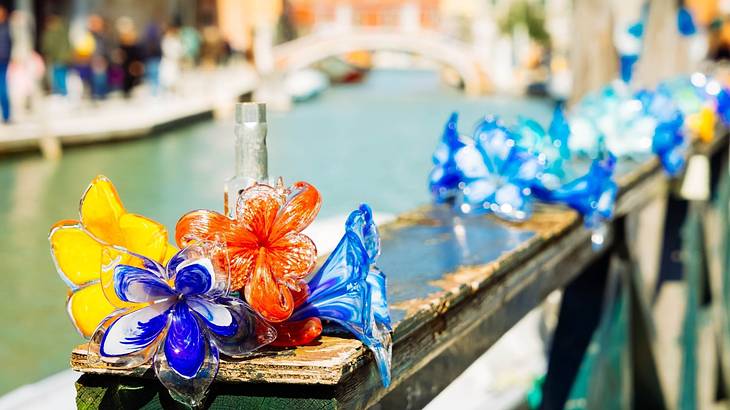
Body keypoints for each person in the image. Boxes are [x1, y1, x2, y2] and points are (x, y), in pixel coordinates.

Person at [41, 14, 72, 96]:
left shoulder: (52, 33)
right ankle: (62, 93)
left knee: (57, 75)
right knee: (61, 75)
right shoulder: (64, 31)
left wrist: (46, 53)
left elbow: (48, 45)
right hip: (63, 57)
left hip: (57, 57)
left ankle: (60, 93)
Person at [142, 21, 163, 96]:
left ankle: (154, 92)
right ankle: (155, 93)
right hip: (154, 60)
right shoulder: (156, 40)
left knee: (152, 77)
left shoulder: (146, 40)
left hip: (150, 61)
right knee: (155, 77)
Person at [0, 6, 12, 123]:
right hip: (4, 60)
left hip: (3, 62)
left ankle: (6, 116)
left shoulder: (8, 28)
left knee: (3, 88)